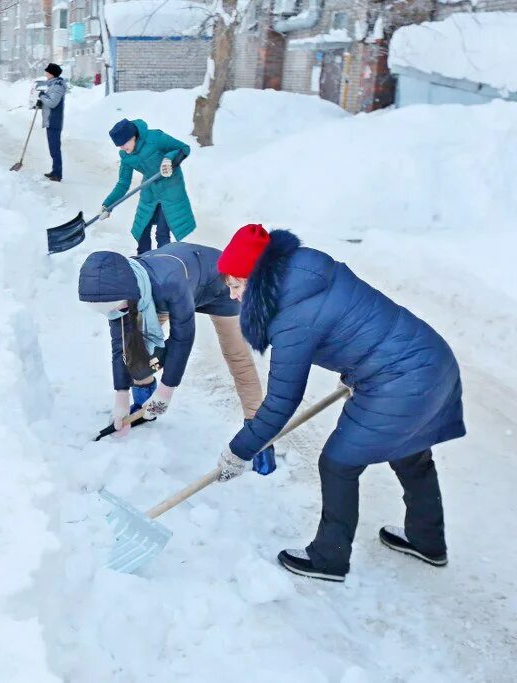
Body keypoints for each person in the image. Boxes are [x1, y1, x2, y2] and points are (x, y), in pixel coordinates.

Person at [214, 224, 466, 582]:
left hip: (401, 379)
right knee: (410, 449)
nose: (236, 297)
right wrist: (356, 371)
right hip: (431, 358)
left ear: (258, 279)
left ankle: (328, 558)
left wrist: (239, 451)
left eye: (238, 286)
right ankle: (427, 540)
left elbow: (281, 403)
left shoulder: (291, 318)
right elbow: (359, 324)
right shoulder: (306, 270)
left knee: (338, 463)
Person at [78, 243, 275, 475]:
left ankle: (259, 438)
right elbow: (121, 345)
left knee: (237, 357)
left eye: (114, 308)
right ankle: (142, 402)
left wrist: (165, 391)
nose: (113, 314)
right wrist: (121, 397)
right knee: (135, 344)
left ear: (127, 292)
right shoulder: (119, 291)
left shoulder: (167, 282)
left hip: (217, 286)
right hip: (162, 294)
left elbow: (183, 338)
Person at [99, 118, 196, 255]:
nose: (122, 148)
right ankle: (143, 262)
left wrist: (169, 160)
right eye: (119, 146)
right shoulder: (126, 156)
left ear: (132, 136)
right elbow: (123, 183)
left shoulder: (155, 138)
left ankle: (165, 263)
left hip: (170, 188)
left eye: (123, 144)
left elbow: (183, 148)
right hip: (150, 189)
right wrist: (108, 205)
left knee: (162, 233)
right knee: (142, 229)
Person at [36, 63, 66, 182]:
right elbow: (49, 101)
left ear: (52, 73)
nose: (45, 73)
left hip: (54, 121)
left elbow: (53, 103)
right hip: (51, 120)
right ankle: (55, 171)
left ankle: (57, 174)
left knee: (55, 149)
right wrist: (41, 103)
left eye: (47, 72)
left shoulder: (57, 86)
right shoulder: (53, 85)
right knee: (53, 148)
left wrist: (42, 97)